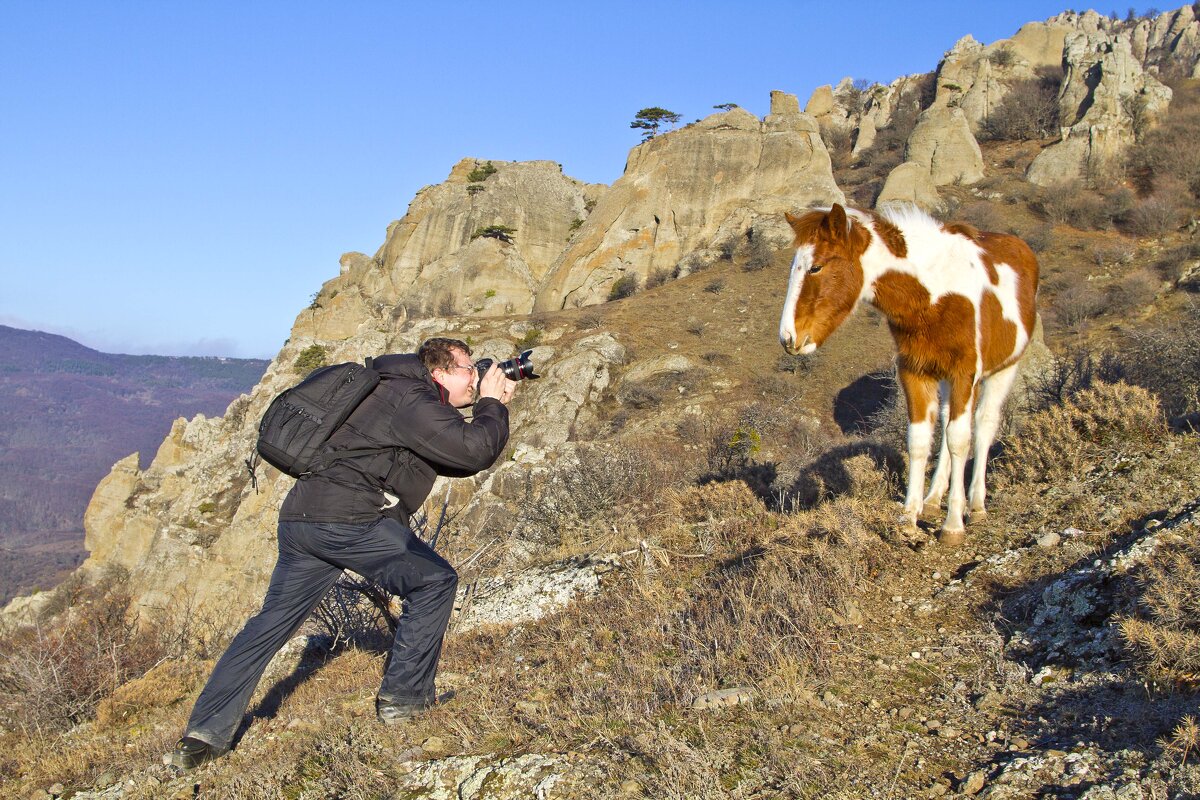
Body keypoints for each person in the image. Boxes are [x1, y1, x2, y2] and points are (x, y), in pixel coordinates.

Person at [165, 337, 516, 770]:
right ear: (439, 371)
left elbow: (449, 456)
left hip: (305, 519)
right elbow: (474, 451)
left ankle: (203, 736)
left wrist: (481, 406)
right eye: (468, 369)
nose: (475, 377)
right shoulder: (411, 395)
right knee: (434, 582)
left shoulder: (389, 390)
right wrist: (492, 406)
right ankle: (405, 703)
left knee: (270, 625)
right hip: (350, 519)